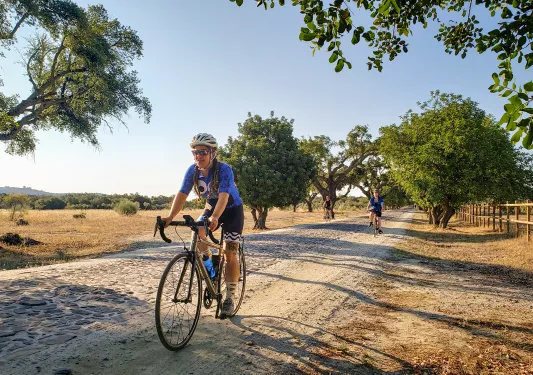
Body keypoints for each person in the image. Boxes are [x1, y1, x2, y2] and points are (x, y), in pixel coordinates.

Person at [162, 133, 244, 319]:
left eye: (203, 152)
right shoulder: (193, 171)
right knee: (198, 231)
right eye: (195, 152)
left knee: (230, 252)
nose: (198, 156)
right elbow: (182, 194)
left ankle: (230, 298)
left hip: (231, 210)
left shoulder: (224, 170)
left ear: (212, 153)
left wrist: (215, 217)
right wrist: (170, 217)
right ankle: (212, 271)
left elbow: (223, 196)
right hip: (211, 207)